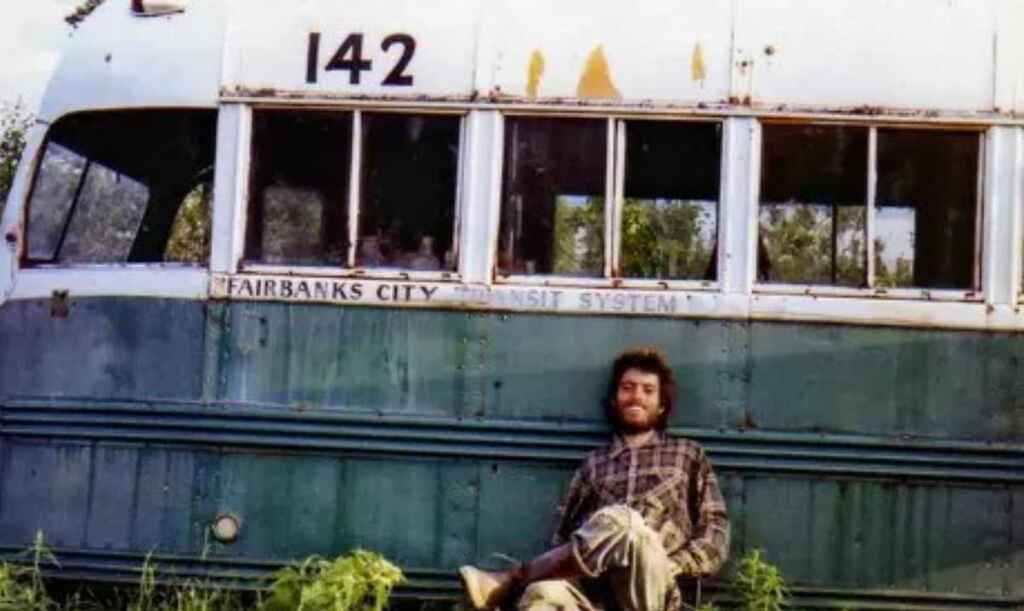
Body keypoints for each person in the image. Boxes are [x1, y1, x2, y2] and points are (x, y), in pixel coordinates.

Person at [459, 347, 730, 611]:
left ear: (661, 406)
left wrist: (673, 565)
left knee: (627, 521)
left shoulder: (687, 455)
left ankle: (511, 580)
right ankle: (525, 584)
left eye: (648, 390)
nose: (636, 396)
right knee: (541, 594)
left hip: (652, 585)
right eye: (627, 387)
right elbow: (562, 541)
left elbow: (715, 531)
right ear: (614, 399)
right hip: (594, 590)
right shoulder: (593, 465)